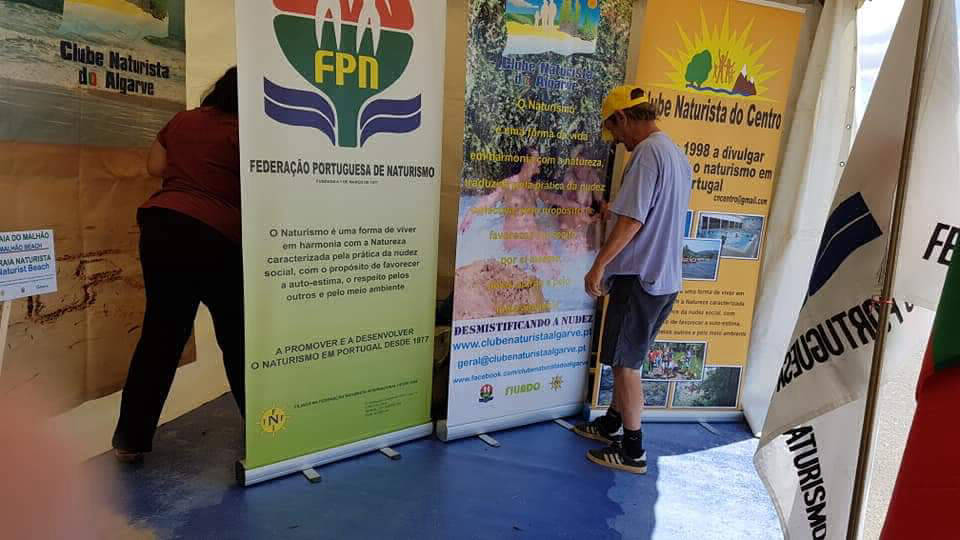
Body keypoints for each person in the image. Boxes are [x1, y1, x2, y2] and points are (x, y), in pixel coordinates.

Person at [112, 67, 244, 464]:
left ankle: (130, 441)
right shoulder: (247, 129)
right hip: (215, 235)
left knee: (160, 336)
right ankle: (262, 426)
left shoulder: (183, 120)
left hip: (161, 227)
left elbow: (155, 167)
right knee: (237, 334)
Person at [574, 85, 692, 474]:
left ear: (624, 117)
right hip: (664, 278)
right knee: (629, 354)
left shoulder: (645, 155)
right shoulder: (674, 154)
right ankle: (611, 422)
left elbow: (633, 222)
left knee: (626, 364)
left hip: (639, 277)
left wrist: (599, 265)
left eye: (613, 129)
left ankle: (632, 450)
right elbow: (649, 211)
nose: (615, 140)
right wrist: (612, 209)